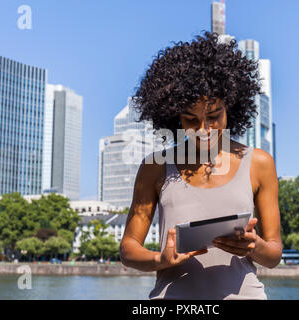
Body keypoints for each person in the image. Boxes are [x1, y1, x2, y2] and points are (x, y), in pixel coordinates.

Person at [119, 31, 282, 300]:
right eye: (191, 120)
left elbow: (274, 254)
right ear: (174, 117)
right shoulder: (155, 167)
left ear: (231, 108)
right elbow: (128, 249)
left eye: (214, 116)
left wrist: (254, 246)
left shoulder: (260, 164)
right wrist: (161, 259)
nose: (204, 129)